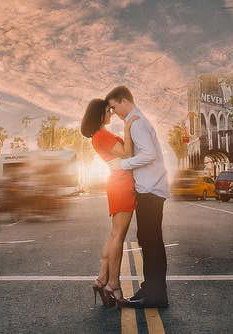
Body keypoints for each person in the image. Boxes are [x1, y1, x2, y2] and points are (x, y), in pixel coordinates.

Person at [105, 86, 170, 309]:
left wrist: (122, 164)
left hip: (151, 190)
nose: (114, 112)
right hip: (150, 189)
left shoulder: (138, 122)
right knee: (147, 240)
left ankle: (156, 295)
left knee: (151, 242)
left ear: (124, 101)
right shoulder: (135, 121)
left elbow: (149, 155)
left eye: (114, 107)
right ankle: (151, 288)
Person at [81, 97, 136, 309]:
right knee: (118, 237)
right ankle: (113, 284)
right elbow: (127, 154)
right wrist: (128, 129)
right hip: (121, 184)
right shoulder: (102, 135)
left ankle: (102, 279)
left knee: (115, 235)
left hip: (118, 183)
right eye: (108, 110)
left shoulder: (100, 135)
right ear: (99, 114)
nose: (111, 113)